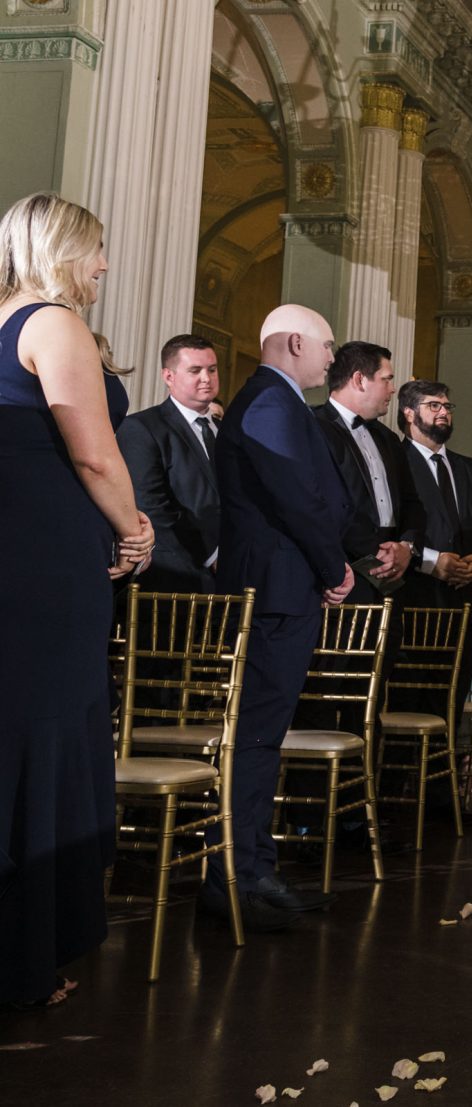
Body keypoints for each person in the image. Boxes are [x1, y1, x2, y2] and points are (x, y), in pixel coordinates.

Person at [0, 193, 152, 1009]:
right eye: (96, 251)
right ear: (63, 250)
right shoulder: (51, 321)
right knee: (44, 744)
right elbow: (94, 456)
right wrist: (136, 531)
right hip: (45, 564)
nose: (101, 266)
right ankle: (25, 955)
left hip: (12, 554)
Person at [209, 303, 354, 929]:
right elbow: (298, 498)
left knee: (262, 737)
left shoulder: (275, 400)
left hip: (282, 588)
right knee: (256, 738)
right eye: (326, 346)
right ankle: (242, 878)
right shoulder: (271, 401)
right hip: (275, 591)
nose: (331, 357)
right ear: (296, 342)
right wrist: (333, 566)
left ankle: (250, 869)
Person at [399, 380, 472, 729]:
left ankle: (441, 783)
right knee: (409, 704)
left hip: (468, 601)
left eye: (447, 406)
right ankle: (403, 782)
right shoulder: (394, 461)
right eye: (434, 405)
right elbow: (391, 528)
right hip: (416, 600)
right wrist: (433, 561)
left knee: (453, 703)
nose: (444, 411)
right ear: (409, 413)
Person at [314, 341, 423, 603]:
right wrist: (376, 555)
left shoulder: (389, 438)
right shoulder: (314, 427)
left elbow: (412, 503)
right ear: (359, 379)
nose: (393, 388)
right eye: (387, 379)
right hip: (342, 574)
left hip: (395, 575)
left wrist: (406, 548)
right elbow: (321, 504)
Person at [116, 334, 221, 593]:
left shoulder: (227, 430)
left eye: (212, 369)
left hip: (230, 579)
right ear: (168, 377)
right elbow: (150, 505)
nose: (206, 378)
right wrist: (212, 555)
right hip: (173, 578)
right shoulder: (141, 428)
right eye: (195, 370)